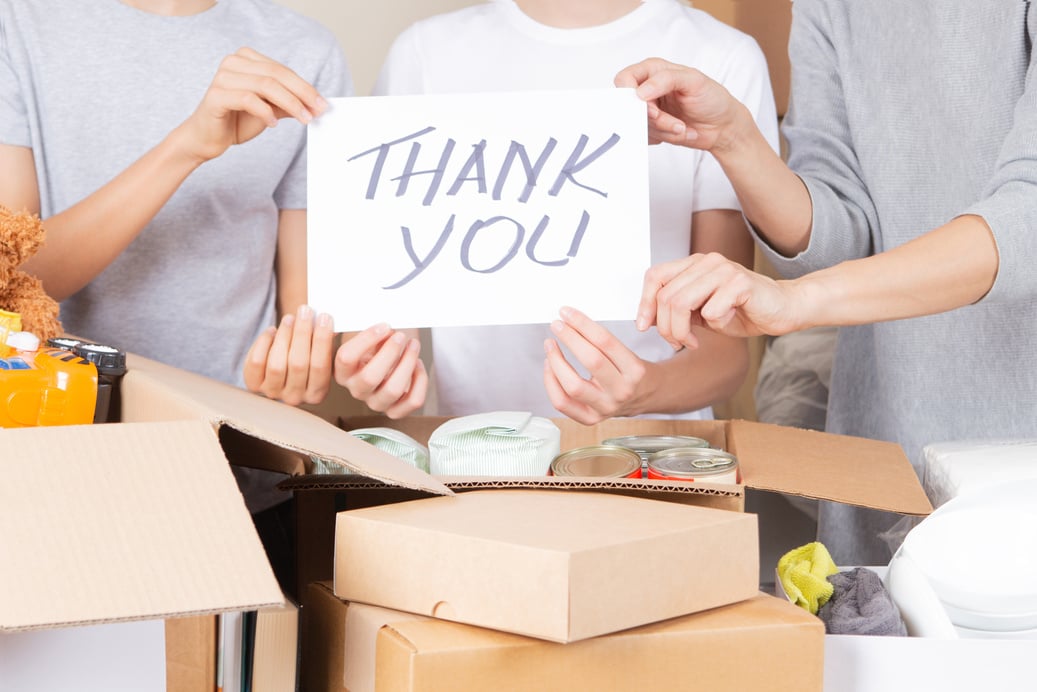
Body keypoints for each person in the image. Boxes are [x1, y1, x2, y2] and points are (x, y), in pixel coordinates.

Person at [618, 0, 1037, 564]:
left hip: (1018, 462)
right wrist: (734, 139)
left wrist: (796, 302)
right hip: (883, 444)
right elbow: (843, 230)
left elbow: (1027, 218)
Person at [248, 0, 779, 426]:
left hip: (655, 460)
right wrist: (379, 369)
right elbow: (391, 313)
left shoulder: (720, 57)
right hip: (471, 456)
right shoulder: (425, 52)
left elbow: (726, 351)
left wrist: (645, 391)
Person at [0, 0, 353, 519]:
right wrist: (187, 146)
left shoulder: (306, 51)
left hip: (238, 475)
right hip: (59, 457)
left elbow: (306, 314)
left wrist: (306, 365)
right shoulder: (19, 23)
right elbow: (16, 279)